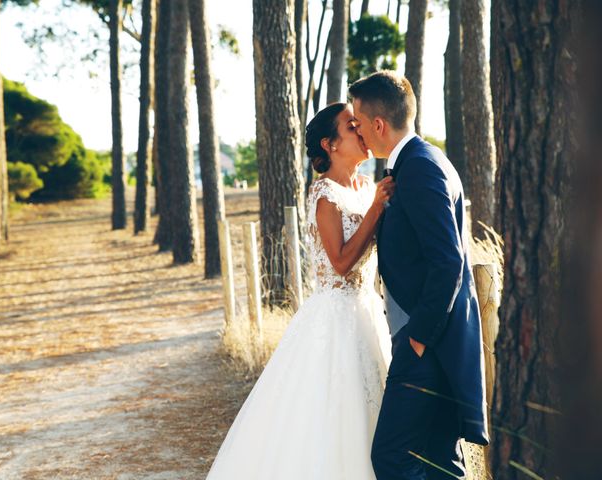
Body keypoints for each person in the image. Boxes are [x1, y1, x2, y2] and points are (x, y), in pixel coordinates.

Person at [206, 103, 394, 479]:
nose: (361, 131)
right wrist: (375, 210)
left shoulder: (361, 186)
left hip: (367, 312)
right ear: (330, 144)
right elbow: (340, 263)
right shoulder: (325, 195)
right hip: (335, 320)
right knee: (334, 415)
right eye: (350, 126)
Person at [349, 70, 489, 480]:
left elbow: (448, 262)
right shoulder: (421, 161)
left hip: (428, 343)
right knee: (440, 461)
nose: (357, 132)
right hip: (440, 341)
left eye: (358, 123)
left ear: (378, 125)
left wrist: (417, 340)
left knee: (391, 457)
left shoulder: (420, 169)